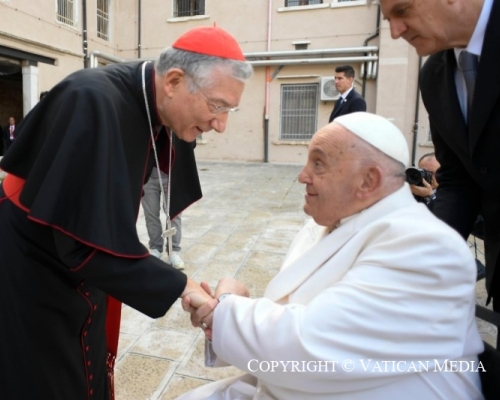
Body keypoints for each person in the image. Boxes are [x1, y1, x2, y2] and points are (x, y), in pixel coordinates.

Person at [0, 26, 253, 399]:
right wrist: (179, 285)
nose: (220, 124)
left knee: (88, 367)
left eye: (229, 110)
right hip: (34, 266)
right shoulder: (91, 100)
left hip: (83, 257)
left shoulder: (153, 105)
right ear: (174, 81)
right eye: (216, 106)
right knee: (49, 376)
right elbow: (79, 241)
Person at [180, 112, 484, 400]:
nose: (302, 176)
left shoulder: (427, 248)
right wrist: (235, 306)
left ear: (368, 181)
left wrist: (224, 310)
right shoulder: (329, 223)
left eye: (318, 164)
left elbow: (309, 347)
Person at [378, 0, 500, 311]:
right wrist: (419, 260)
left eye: (403, 11)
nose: (394, 32)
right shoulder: (433, 76)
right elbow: (459, 183)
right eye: (388, 18)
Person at [142, 166, 185, 269]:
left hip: (172, 173)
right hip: (148, 175)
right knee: (150, 214)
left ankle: (173, 251)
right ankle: (155, 249)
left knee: (174, 214)